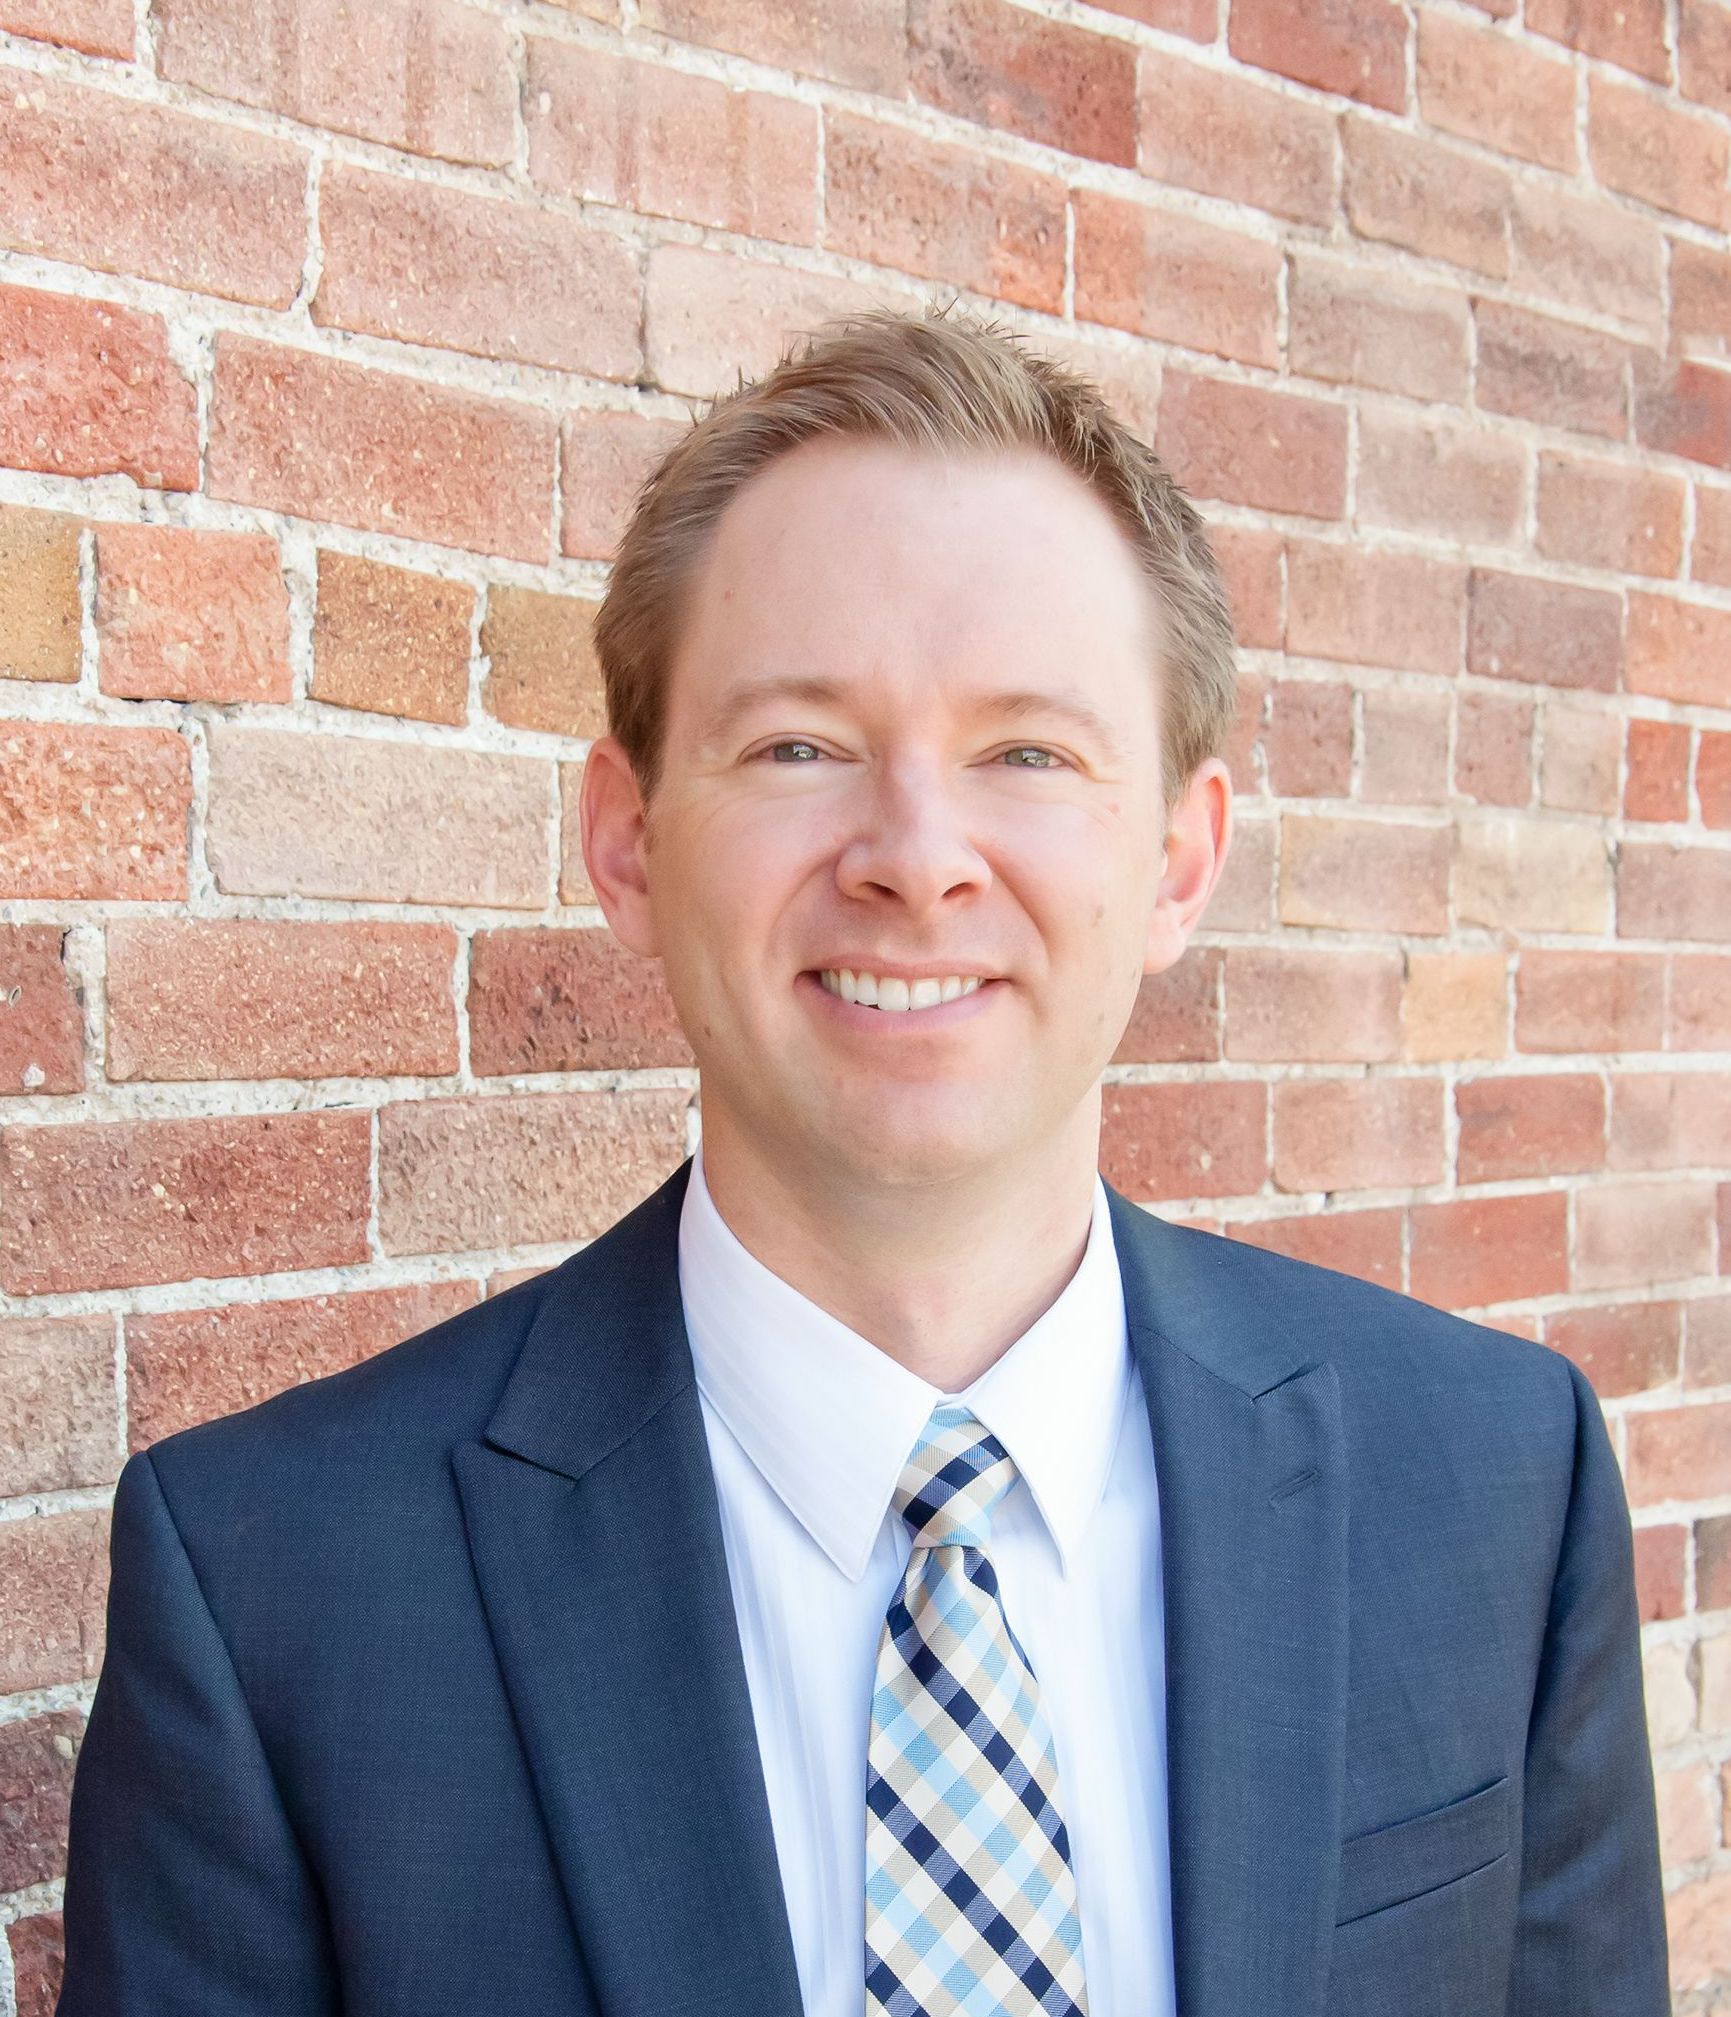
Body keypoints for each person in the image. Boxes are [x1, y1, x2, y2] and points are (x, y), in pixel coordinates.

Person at [56, 302, 1668, 2017]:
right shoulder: (274, 1590)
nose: (916, 855)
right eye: (799, 746)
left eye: (1027, 751)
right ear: (628, 838)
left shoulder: (1496, 1484)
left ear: (1181, 859)